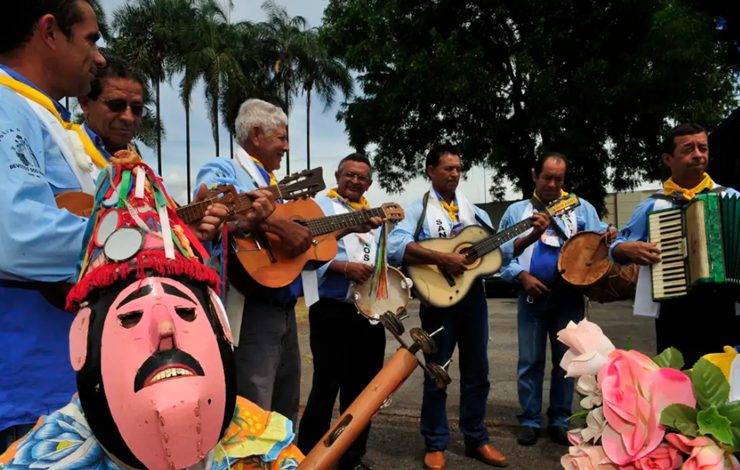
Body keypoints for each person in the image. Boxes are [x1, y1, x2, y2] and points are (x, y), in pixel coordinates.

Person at [0, 155, 302, 470]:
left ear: (219, 320)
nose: (165, 327)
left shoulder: (264, 444)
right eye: (130, 317)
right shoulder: (39, 458)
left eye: (186, 311)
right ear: (81, 340)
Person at [0, 0, 107, 451]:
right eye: (90, 39)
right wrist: (136, 238)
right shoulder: (7, 107)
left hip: (55, 378)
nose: (99, 58)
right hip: (27, 386)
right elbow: (15, 234)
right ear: (49, 32)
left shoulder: (40, 114)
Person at [388, 143, 508, 469]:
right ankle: (436, 441)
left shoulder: (474, 212)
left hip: (473, 301)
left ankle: (476, 438)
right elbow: (396, 247)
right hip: (438, 301)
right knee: (437, 371)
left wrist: (527, 235)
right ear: (430, 171)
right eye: (447, 168)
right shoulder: (418, 209)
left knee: (477, 371)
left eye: (458, 168)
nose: (455, 174)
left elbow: (502, 251)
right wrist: (442, 257)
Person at [194, 99, 313, 424]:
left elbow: (293, 241)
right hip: (251, 309)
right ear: (257, 134)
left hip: (286, 310)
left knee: (285, 408)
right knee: (253, 409)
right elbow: (214, 206)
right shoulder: (224, 168)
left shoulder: (276, 184)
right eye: (281, 138)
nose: (287, 146)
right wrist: (274, 223)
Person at [498, 152, 608, 446]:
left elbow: (596, 248)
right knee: (529, 362)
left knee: (567, 363)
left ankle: (560, 420)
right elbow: (501, 256)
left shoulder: (581, 208)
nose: (552, 183)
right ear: (535, 175)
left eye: (559, 179)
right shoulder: (516, 212)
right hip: (531, 298)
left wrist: (607, 241)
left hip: (569, 298)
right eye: (547, 177)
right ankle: (530, 421)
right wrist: (521, 277)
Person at [610, 123, 739, 367]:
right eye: (689, 149)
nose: (699, 154)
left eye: (703, 148)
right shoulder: (653, 205)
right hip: (674, 308)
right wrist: (626, 249)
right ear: (668, 159)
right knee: (676, 381)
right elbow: (617, 246)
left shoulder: (730, 197)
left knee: (723, 383)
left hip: (722, 307)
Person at [297, 153, 386, 470]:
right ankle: (308, 455)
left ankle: (352, 456)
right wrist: (343, 267)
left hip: (369, 314)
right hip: (333, 310)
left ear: (369, 183)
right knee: (326, 386)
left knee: (362, 394)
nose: (355, 181)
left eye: (362, 177)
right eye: (350, 174)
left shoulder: (375, 217)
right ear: (337, 176)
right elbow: (308, 255)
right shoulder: (321, 208)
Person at [78, 53, 146, 155]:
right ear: (85, 103)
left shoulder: (142, 169)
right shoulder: (59, 152)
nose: (129, 118)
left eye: (137, 109)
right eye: (117, 105)